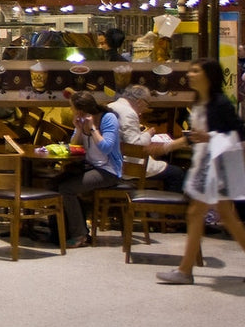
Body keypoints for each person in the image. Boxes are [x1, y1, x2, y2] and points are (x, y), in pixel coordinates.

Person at [156, 60, 245, 285]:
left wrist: (208, 137)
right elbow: (196, 135)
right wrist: (168, 146)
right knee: (223, 216)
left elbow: (238, 132)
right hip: (208, 163)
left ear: (208, 75)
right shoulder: (201, 102)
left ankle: (185, 270)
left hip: (220, 165)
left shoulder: (219, 103)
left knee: (197, 212)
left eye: (195, 71)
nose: (189, 74)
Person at [54, 91, 124, 247]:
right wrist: (78, 129)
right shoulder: (82, 119)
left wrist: (92, 128)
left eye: (73, 108)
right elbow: (74, 145)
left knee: (66, 188)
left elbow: (106, 148)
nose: (71, 111)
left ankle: (80, 235)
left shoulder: (108, 119)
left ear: (81, 109)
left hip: (108, 170)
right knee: (54, 183)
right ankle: (58, 232)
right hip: (89, 166)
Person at [108, 85, 186, 193]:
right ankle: (164, 208)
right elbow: (136, 145)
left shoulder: (111, 106)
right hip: (129, 167)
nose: (145, 109)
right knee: (177, 173)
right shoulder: (129, 113)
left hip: (112, 162)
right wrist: (149, 134)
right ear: (139, 101)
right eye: (147, 104)